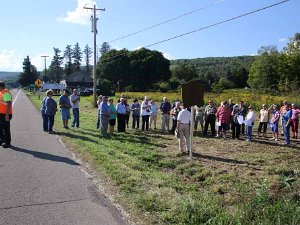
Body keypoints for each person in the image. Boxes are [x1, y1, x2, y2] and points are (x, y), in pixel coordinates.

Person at [0, 81, 13, 148]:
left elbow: (9, 104)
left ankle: (7, 142)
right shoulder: (1, 92)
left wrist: (7, 115)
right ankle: (2, 140)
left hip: (5, 114)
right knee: (1, 128)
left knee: (6, 129)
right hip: (1, 113)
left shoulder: (6, 93)